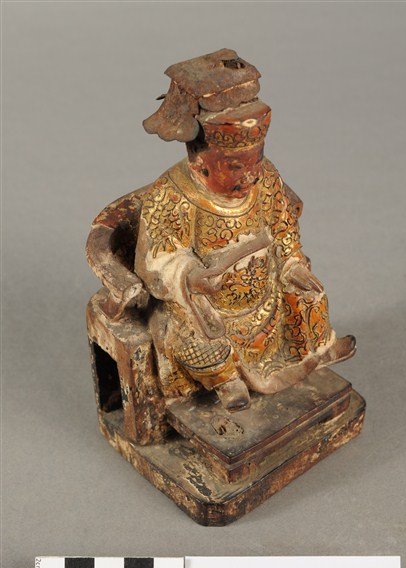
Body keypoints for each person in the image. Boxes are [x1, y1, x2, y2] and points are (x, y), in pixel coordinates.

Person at [133, 51, 355, 411]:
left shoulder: (264, 177)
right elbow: (158, 259)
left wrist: (292, 263)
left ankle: (314, 351)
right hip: (209, 307)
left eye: (256, 162)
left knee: (308, 294)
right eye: (236, 167)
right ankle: (226, 381)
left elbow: (282, 224)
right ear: (201, 163)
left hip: (265, 293)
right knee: (190, 335)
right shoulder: (172, 195)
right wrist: (190, 277)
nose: (250, 176)